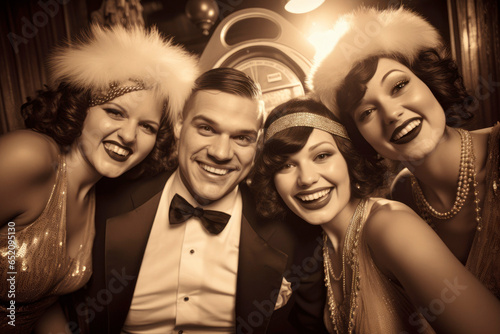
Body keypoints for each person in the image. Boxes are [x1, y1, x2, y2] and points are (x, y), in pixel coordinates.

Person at [66, 67, 327, 334]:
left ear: (257, 143)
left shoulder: (292, 231)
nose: (221, 153)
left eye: (241, 137)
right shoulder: (106, 201)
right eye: (206, 128)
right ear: (180, 125)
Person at [0, 24, 198, 332]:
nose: (129, 135)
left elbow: (35, 303)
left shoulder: (98, 196)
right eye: (115, 112)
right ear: (81, 108)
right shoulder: (30, 157)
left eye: (147, 126)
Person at [251, 97, 500, 334]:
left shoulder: (390, 226)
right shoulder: (324, 248)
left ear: (348, 156)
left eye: (322, 156)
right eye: (286, 165)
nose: (306, 179)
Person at [308, 6, 500, 298]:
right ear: (360, 136)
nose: (392, 113)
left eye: (398, 86)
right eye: (367, 111)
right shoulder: (402, 194)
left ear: (429, 81)